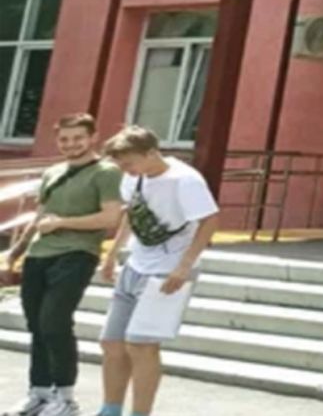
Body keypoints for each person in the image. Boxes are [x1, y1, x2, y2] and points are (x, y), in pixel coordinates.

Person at [2, 115, 125, 416]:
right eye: (64, 139)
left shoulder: (106, 172)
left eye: (78, 138)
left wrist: (62, 223)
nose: (71, 144)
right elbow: (40, 216)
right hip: (38, 254)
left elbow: (110, 217)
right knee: (36, 324)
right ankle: (39, 393)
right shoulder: (54, 172)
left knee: (54, 321)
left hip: (77, 253)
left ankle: (66, 398)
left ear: (93, 137)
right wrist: (14, 253)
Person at [94, 127, 218, 416]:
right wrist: (112, 255)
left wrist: (184, 266)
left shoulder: (185, 180)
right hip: (136, 264)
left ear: (151, 153)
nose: (126, 170)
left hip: (167, 271)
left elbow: (210, 220)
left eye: (129, 163)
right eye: (121, 164)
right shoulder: (134, 177)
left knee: (142, 345)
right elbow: (133, 213)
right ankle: (110, 409)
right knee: (112, 342)